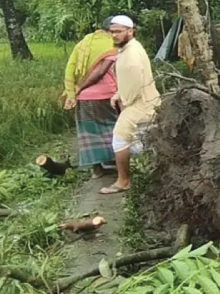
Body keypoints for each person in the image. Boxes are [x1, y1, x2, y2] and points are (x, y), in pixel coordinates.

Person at [100, 15, 161, 195]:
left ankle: (123, 181)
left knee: (120, 139)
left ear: (130, 31)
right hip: (144, 102)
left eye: (118, 31)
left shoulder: (131, 53)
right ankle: (157, 174)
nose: (114, 35)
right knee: (145, 140)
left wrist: (125, 102)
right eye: (112, 32)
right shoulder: (127, 48)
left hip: (139, 104)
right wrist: (118, 94)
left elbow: (135, 81)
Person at [62, 17, 119, 179]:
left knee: (90, 131)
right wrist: (81, 86)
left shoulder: (84, 43)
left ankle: (97, 169)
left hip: (84, 98)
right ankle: (118, 163)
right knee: (113, 128)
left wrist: (74, 90)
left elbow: (70, 68)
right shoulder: (110, 44)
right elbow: (100, 72)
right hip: (105, 95)